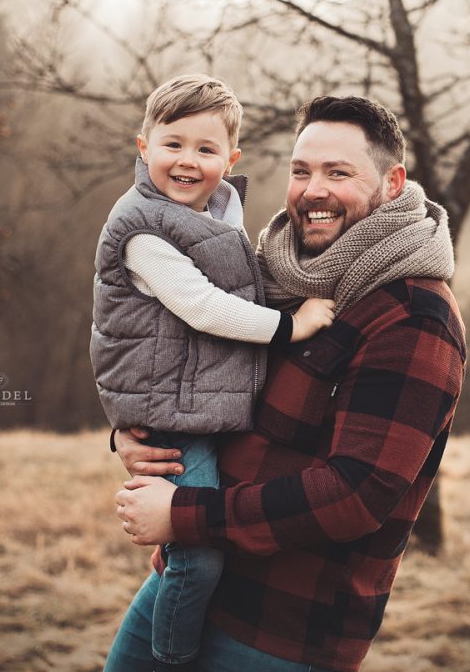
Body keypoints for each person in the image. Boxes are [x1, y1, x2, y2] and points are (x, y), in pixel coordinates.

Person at [110, 95, 466, 672]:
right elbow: (197, 370)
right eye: (302, 171)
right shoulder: (273, 276)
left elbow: (355, 494)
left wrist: (183, 514)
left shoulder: (412, 318)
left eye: (338, 173)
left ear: (393, 183)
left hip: (282, 629)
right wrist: (135, 436)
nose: (313, 190)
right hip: (186, 581)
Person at [90, 74, 336, 672]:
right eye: (172, 144)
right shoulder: (142, 230)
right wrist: (290, 328)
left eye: (206, 150)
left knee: (204, 543)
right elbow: (201, 305)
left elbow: (238, 285)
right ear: (143, 145)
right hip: (172, 418)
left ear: (232, 158)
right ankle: (174, 657)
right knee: (199, 557)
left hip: (201, 406)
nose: (187, 161)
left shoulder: (220, 212)